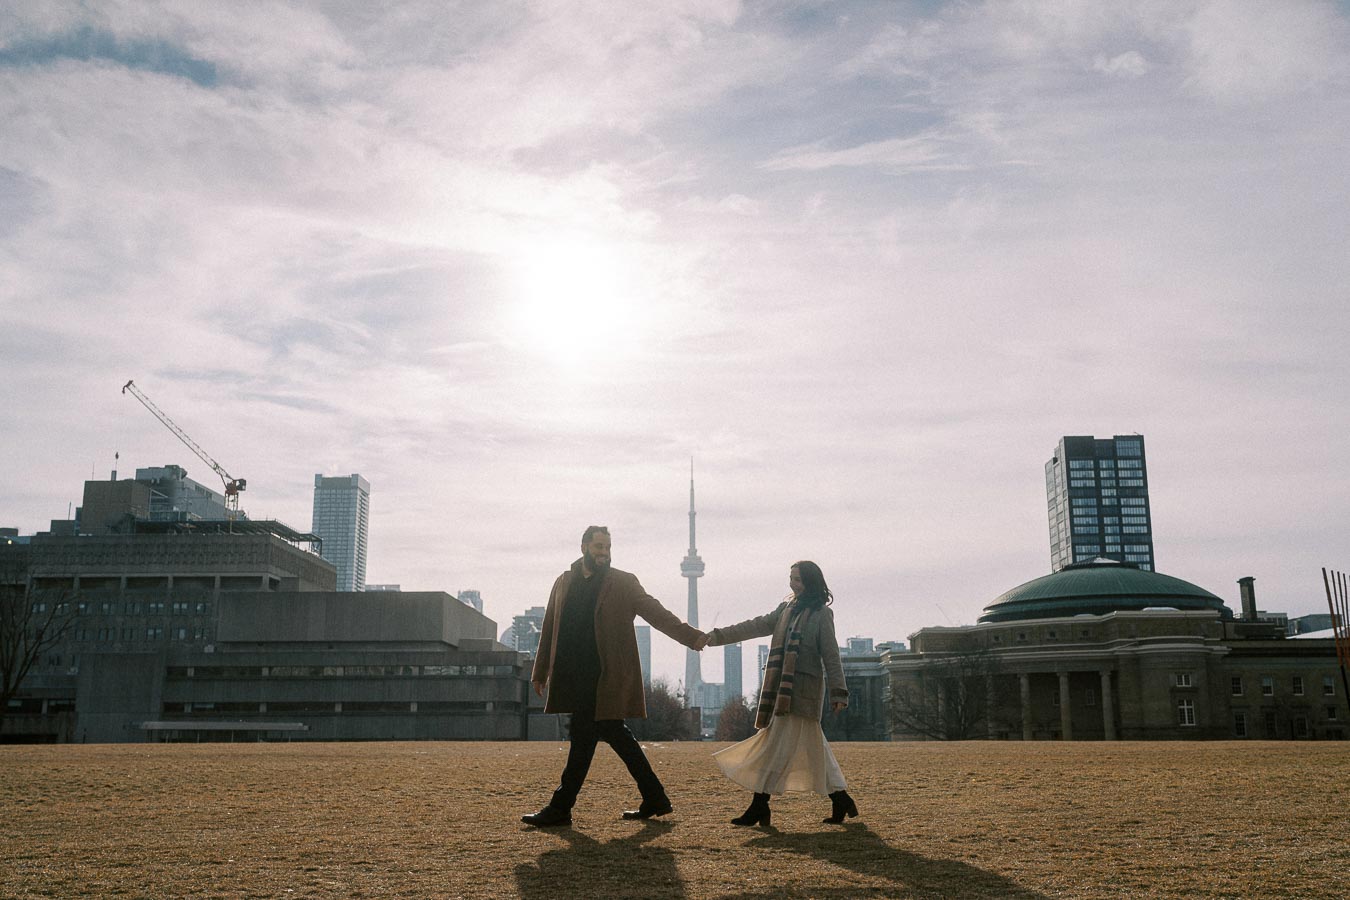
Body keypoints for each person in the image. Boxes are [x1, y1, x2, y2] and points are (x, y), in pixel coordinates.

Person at [521, 525, 706, 827]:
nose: (604, 553)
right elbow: (550, 628)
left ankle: (561, 807)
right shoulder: (564, 582)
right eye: (598, 547)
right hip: (574, 676)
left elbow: (655, 613)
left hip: (606, 678)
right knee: (605, 736)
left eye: (607, 547)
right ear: (584, 547)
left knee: (588, 737)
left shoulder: (623, 582)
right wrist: (540, 671)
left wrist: (691, 637)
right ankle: (654, 797)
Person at [698, 560, 859, 826]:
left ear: (810, 582)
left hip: (803, 694)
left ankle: (759, 806)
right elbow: (754, 626)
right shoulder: (785, 610)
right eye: (791, 578)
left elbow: (831, 654)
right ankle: (841, 799)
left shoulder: (821, 614)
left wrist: (839, 692)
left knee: (775, 747)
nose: (792, 583)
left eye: (797, 579)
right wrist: (716, 637)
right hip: (782, 693)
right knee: (814, 750)